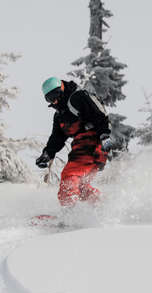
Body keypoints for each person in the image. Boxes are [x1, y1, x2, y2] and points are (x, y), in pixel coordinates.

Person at [36, 77, 114, 207]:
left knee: (70, 176)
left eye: (55, 95)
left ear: (61, 89)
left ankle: (68, 212)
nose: (54, 101)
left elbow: (100, 114)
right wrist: (47, 154)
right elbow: (57, 137)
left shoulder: (78, 97)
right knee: (81, 186)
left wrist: (105, 136)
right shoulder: (60, 114)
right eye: (49, 99)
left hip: (93, 143)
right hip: (81, 146)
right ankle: (103, 207)